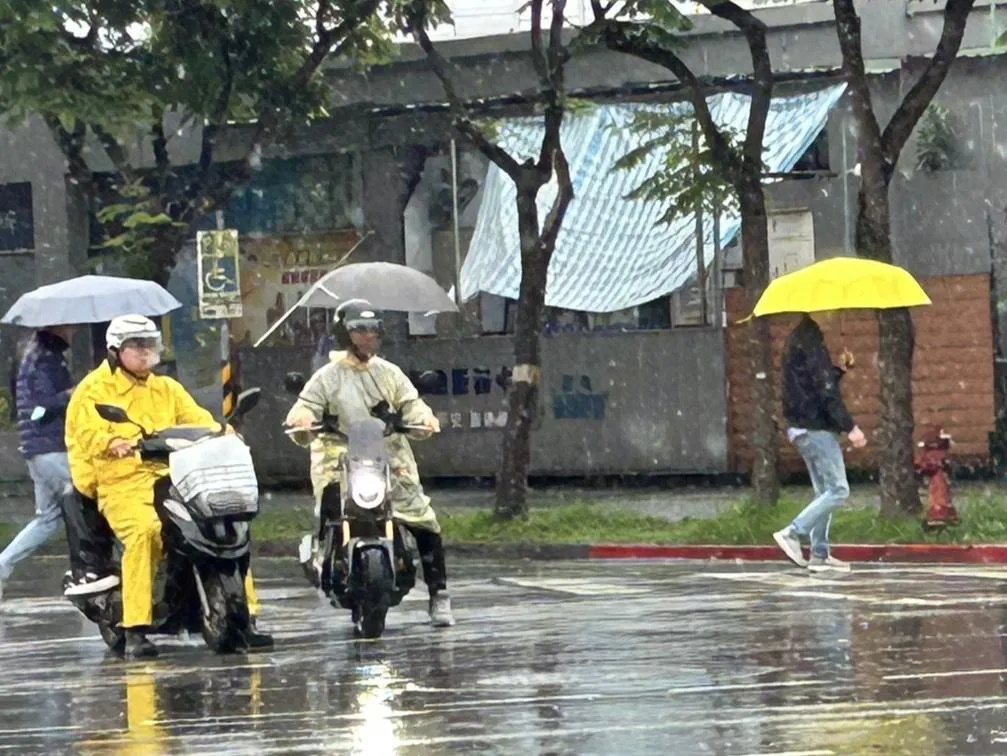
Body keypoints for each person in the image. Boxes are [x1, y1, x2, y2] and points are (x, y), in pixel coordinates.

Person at [66, 314, 273, 658]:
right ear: (116, 351)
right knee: (145, 533)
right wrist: (114, 440)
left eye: (150, 345)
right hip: (121, 480)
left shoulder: (166, 388)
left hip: (173, 473)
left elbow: (198, 419)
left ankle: (246, 617)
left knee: (223, 522)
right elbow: (85, 432)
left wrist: (223, 432)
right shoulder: (94, 390)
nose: (145, 353)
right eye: (137, 346)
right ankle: (135, 628)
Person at [286, 301, 455, 627]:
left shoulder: (389, 374)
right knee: (333, 504)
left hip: (388, 456)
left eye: (373, 330)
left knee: (423, 519)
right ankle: (327, 553)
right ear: (343, 334)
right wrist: (304, 421)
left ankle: (439, 594)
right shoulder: (327, 377)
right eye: (359, 330)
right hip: (339, 457)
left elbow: (412, 404)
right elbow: (305, 406)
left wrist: (422, 420)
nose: (368, 337)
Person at [0, 326, 112, 599]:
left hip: (37, 449)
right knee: (88, 500)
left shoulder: (38, 355)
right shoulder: (44, 360)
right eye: (69, 327)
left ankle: (3, 564)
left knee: (48, 518)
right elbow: (41, 408)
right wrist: (72, 392)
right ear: (55, 328)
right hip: (50, 448)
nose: (73, 331)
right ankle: (93, 567)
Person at [773, 315, 867, 573]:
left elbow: (815, 385)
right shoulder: (811, 342)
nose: (835, 314)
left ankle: (820, 554)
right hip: (815, 428)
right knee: (838, 490)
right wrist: (850, 427)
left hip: (801, 426)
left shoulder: (801, 339)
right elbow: (825, 392)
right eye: (830, 310)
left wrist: (839, 371)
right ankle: (792, 533)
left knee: (824, 491)